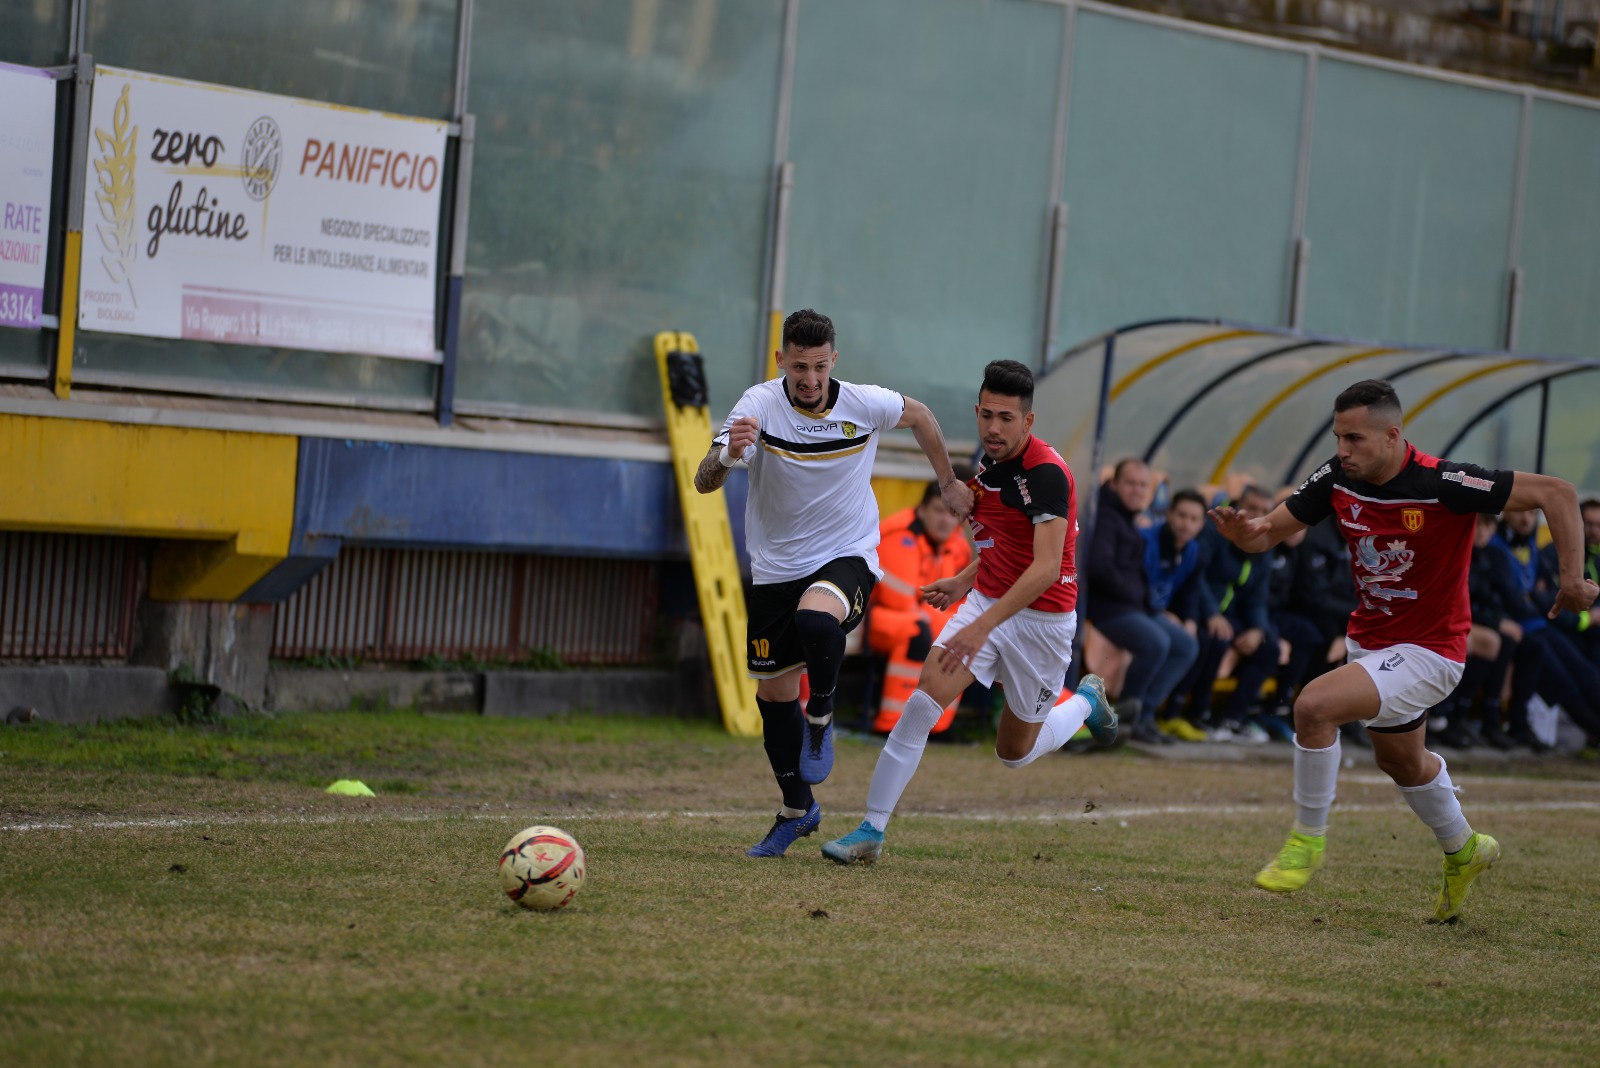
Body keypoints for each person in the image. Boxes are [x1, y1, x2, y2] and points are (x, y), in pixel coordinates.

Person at [1210, 379, 1597, 922]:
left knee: (1314, 707)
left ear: (1392, 436)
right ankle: (1464, 848)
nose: (1343, 450)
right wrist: (1243, 533)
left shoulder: (1445, 483)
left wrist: (1572, 580)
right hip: (1371, 646)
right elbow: (1265, 534)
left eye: (1355, 439)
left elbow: (1556, 492)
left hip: (1431, 652)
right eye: (1338, 437)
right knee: (1402, 762)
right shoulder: (1337, 477)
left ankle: (1306, 841)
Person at [694, 308, 973, 857]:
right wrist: (728, 452)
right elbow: (704, 480)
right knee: (773, 694)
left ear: (833, 361)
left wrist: (946, 481)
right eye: (800, 367)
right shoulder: (758, 404)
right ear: (781, 360)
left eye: (820, 367)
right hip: (776, 569)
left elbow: (920, 415)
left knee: (817, 618)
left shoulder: (863, 403)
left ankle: (821, 715)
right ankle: (797, 810)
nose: (810, 379)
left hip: (847, 556)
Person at [819, 360, 1119, 865]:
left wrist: (983, 626)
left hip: (1043, 623)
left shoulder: (1046, 475)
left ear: (1028, 421)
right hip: (987, 604)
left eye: (1006, 418)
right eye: (986, 415)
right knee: (921, 704)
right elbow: (1006, 546)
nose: (993, 428)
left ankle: (1087, 701)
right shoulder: (990, 463)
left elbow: (1046, 568)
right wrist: (964, 582)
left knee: (1014, 753)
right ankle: (871, 829)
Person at [1086, 461, 1199, 745]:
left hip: (1136, 607)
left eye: (1142, 485)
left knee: (1186, 645)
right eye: (1130, 483)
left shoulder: (1127, 519)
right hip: (1110, 609)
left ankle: (1145, 715)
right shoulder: (1107, 518)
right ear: (1115, 485)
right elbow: (1099, 568)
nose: (1137, 491)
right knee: (1155, 642)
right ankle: (1125, 718)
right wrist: (1132, 594)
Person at [866, 480, 974, 734]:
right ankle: (891, 723)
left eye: (952, 514)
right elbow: (900, 601)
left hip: (922, 615)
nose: (945, 520)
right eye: (938, 510)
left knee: (960, 633)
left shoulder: (956, 543)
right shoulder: (899, 535)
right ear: (922, 510)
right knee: (918, 629)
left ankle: (937, 727)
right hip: (878, 617)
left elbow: (959, 600)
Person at [1171, 485, 1277, 743]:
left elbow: (1258, 595)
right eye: (1251, 507)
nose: (1256, 514)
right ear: (1238, 505)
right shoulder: (1216, 529)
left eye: (1263, 510)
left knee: (1268, 647)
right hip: (1199, 609)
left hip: (1231, 616)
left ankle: (1233, 717)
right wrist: (1210, 614)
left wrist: (1257, 629)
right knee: (1215, 640)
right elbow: (1198, 575)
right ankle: (1195, 713)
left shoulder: (1263, 542)